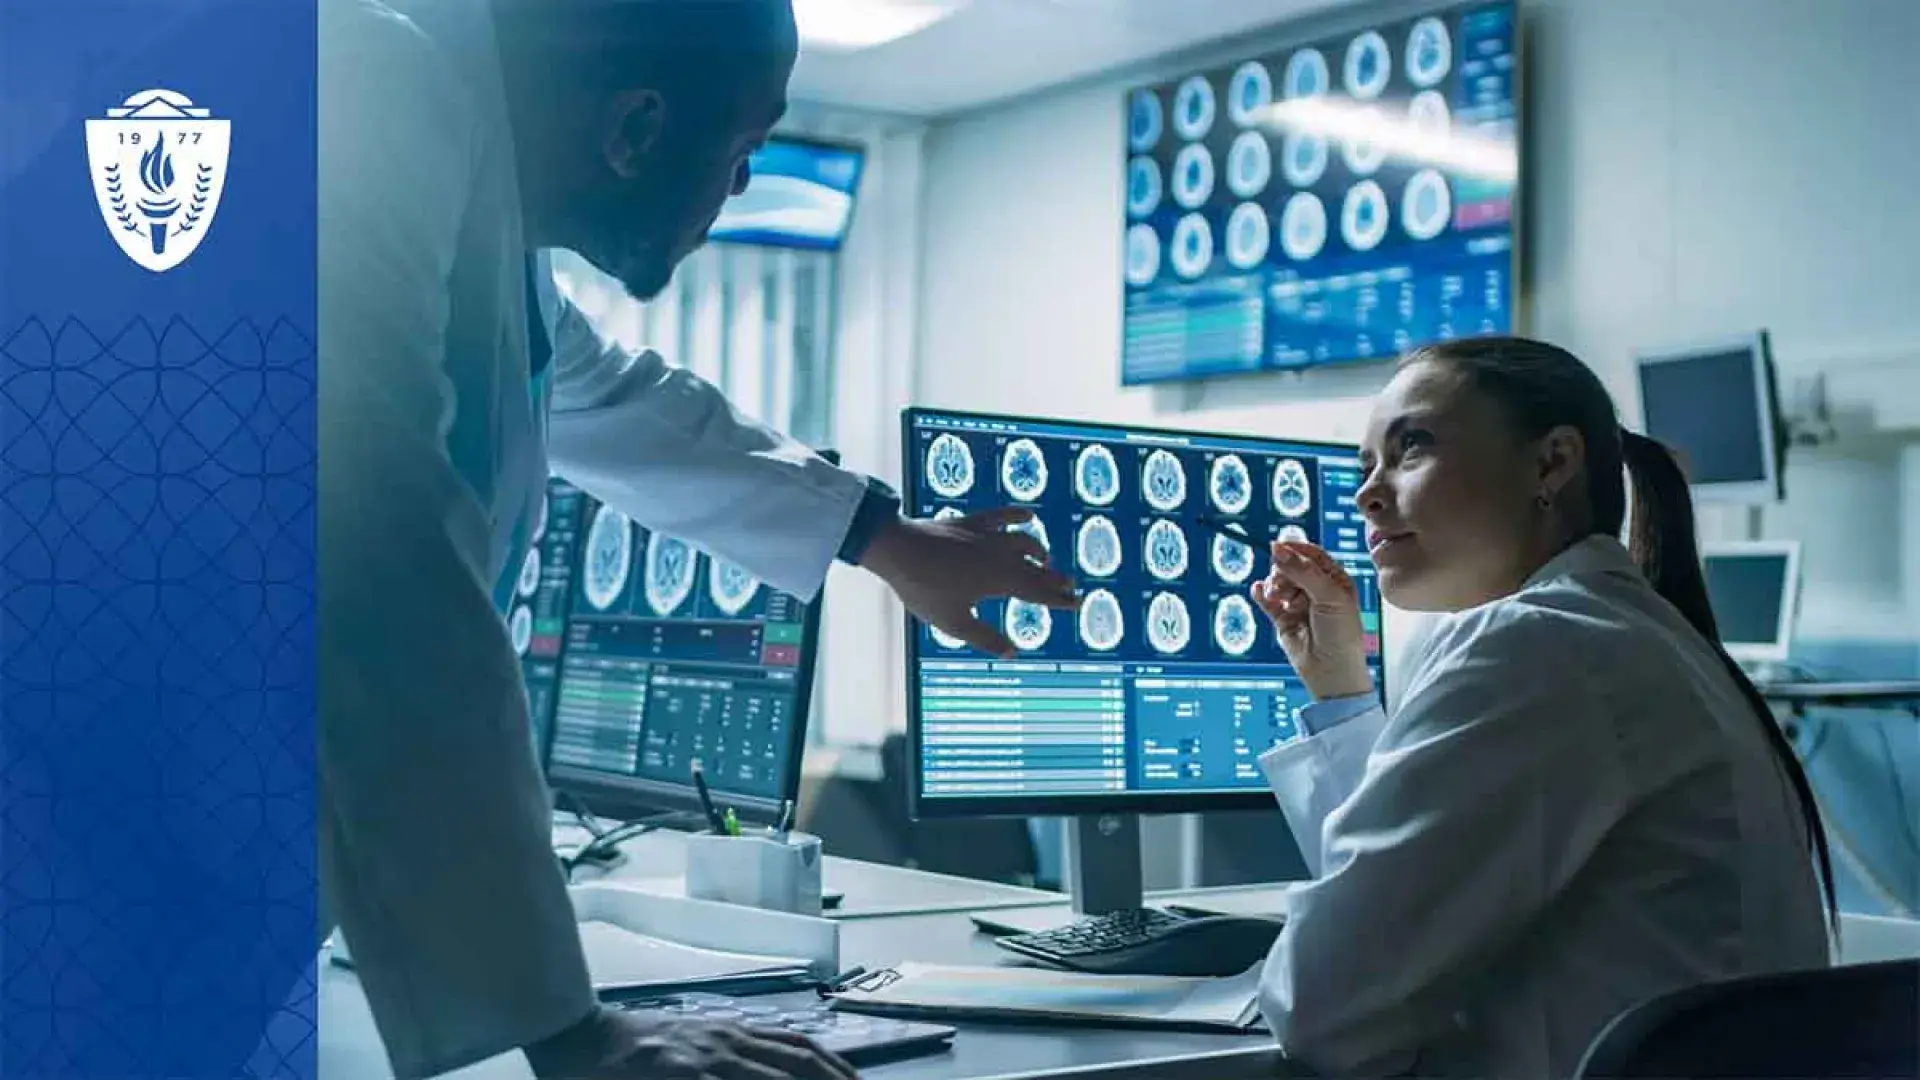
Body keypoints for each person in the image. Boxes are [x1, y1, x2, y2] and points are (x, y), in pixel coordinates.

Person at [317, 1, 1075, 1078]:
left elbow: (603, 393)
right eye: (747, 147)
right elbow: (380, 573)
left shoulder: (480, 212)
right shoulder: (368, 83)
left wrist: (885, 536)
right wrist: (574, 1034)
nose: (742, 186)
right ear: (633, 130)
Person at [1247, 336, 1834, 1079]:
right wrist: (1340, 693)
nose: (1367, 492)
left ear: (1552, 462)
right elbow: (1405, 899)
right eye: (1366, 466)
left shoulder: (1540, 646)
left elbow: (1320, 1008)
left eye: (1411, 447)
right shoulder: (1622, 634)